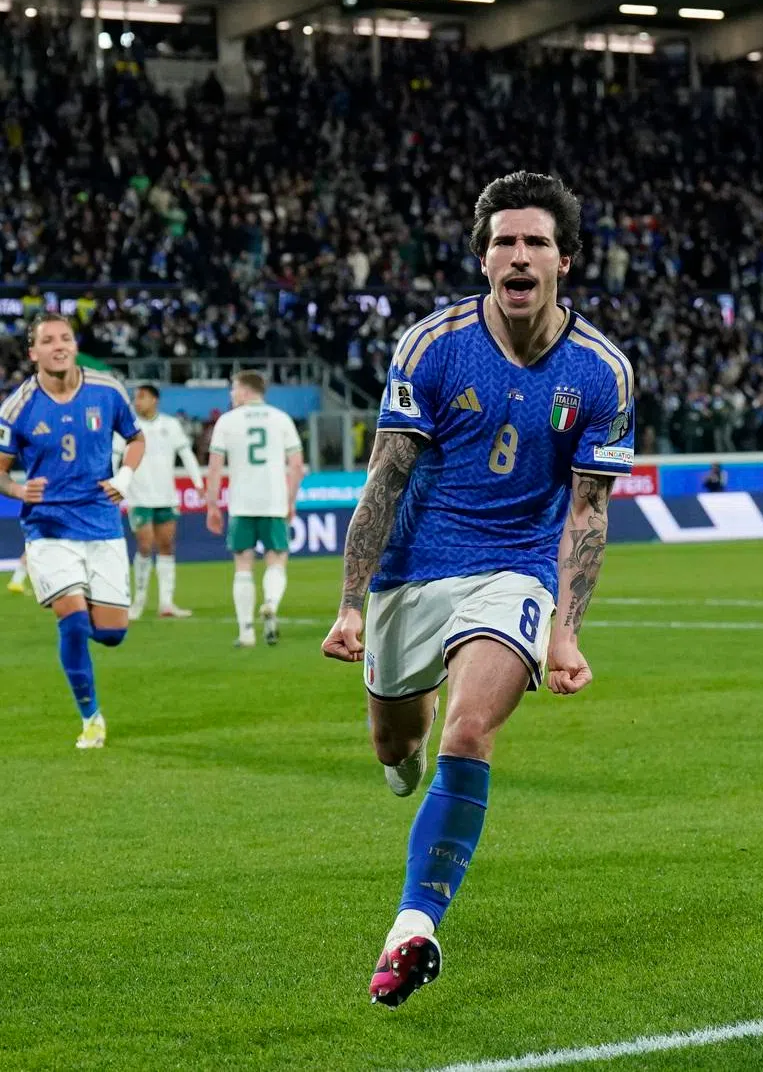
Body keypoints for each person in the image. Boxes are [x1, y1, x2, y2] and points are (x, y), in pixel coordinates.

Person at [320, 171, 635, 1008]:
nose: (519, 255)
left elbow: (590, 511)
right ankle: (402, 747)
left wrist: (565, 627)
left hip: (514, 569)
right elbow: (384, 480)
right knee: (398, 747)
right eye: (504, 241)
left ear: (565, 260)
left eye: (535, 241)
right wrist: (352, 603)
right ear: (484, 258)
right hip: (410, 571)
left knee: (468, 731)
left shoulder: (602, 372)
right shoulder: (432, 345)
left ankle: (412, 928)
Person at [0, 314, 144, 747]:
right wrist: (17, 489)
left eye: (65, 338)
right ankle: (92, 719)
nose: (59, 345)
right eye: (48, 340)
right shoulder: (17, 407)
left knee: (113, 633)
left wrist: (124, 478)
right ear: (33, 353)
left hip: (102, 524)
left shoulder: (108, 390)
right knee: (75, 621)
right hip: (49, 529)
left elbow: (136, 439)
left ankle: (74, 620)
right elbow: (1, 472)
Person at [205, 372, 303, 647]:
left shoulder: (227, 421)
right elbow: (296, 465)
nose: (232, 395)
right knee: (276, 558)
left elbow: (214, 468)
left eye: (234, 389)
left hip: (241, 503)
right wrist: (291, 500)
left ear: (246, 391)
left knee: (243, 564)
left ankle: (246, 631)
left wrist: (212, 504)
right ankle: (270, 603)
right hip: (273, 502)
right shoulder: (281, 418)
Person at [117, 383, 204, 620]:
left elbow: (186, 453)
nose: (137, 401)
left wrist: (198, 482)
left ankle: (166, 603)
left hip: (166, 496)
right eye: (136, 397)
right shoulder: (127, 426)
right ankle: (139, 601)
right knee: (145, 546)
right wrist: (115, 484)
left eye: (142, 397)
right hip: (139, 497)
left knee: (166, 545)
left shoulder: (170, 425)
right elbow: (115, 456)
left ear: (154, 399)